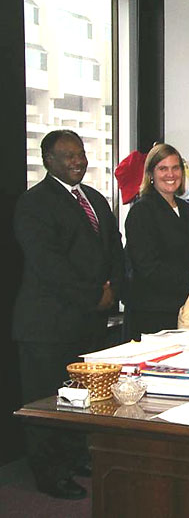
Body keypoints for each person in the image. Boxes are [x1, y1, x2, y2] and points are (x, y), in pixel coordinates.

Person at [13, 130, 125, 499]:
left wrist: (113, 289)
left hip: (88, 322)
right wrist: (96, 294)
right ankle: (49, 474)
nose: (78, 161)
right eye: (67, 156)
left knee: (81, 398)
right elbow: (49, 264)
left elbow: (113, 250)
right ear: (48, 161)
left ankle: (77, 457)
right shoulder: (34, 203)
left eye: (80, 154)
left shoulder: (93, 198)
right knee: (47, 402)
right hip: (47, 325)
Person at [125, 143, 189, 340]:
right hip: (151, 312)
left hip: (184, 308)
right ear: (151, 173)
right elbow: (146, 266)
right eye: (163, 168)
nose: (171, 174)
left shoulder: (185, 210)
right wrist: (187, 275)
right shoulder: (141, 211)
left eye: (175, 168)